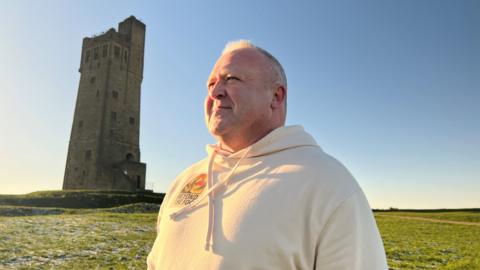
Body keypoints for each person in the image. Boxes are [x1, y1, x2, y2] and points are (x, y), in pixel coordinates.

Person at [147, 40, 388, 269]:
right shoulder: (185, 180)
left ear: (276, 96)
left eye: (231, 79)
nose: (216, 92)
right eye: (211, 84)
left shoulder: (328, 184)